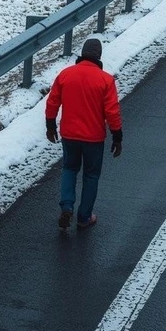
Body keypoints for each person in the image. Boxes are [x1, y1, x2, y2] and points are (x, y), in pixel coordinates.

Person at [45, 38, 123, 230]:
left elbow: (53, 101)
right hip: (93, 138)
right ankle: (84, 217)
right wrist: (117, 136)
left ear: (83, 53)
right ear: (99, 56)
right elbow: (112, 112)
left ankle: (67, 206)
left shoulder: (65, 75)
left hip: (69, 134)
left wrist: (50, 125)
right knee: (91, 176)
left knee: (69, 169)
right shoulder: (105, 80)